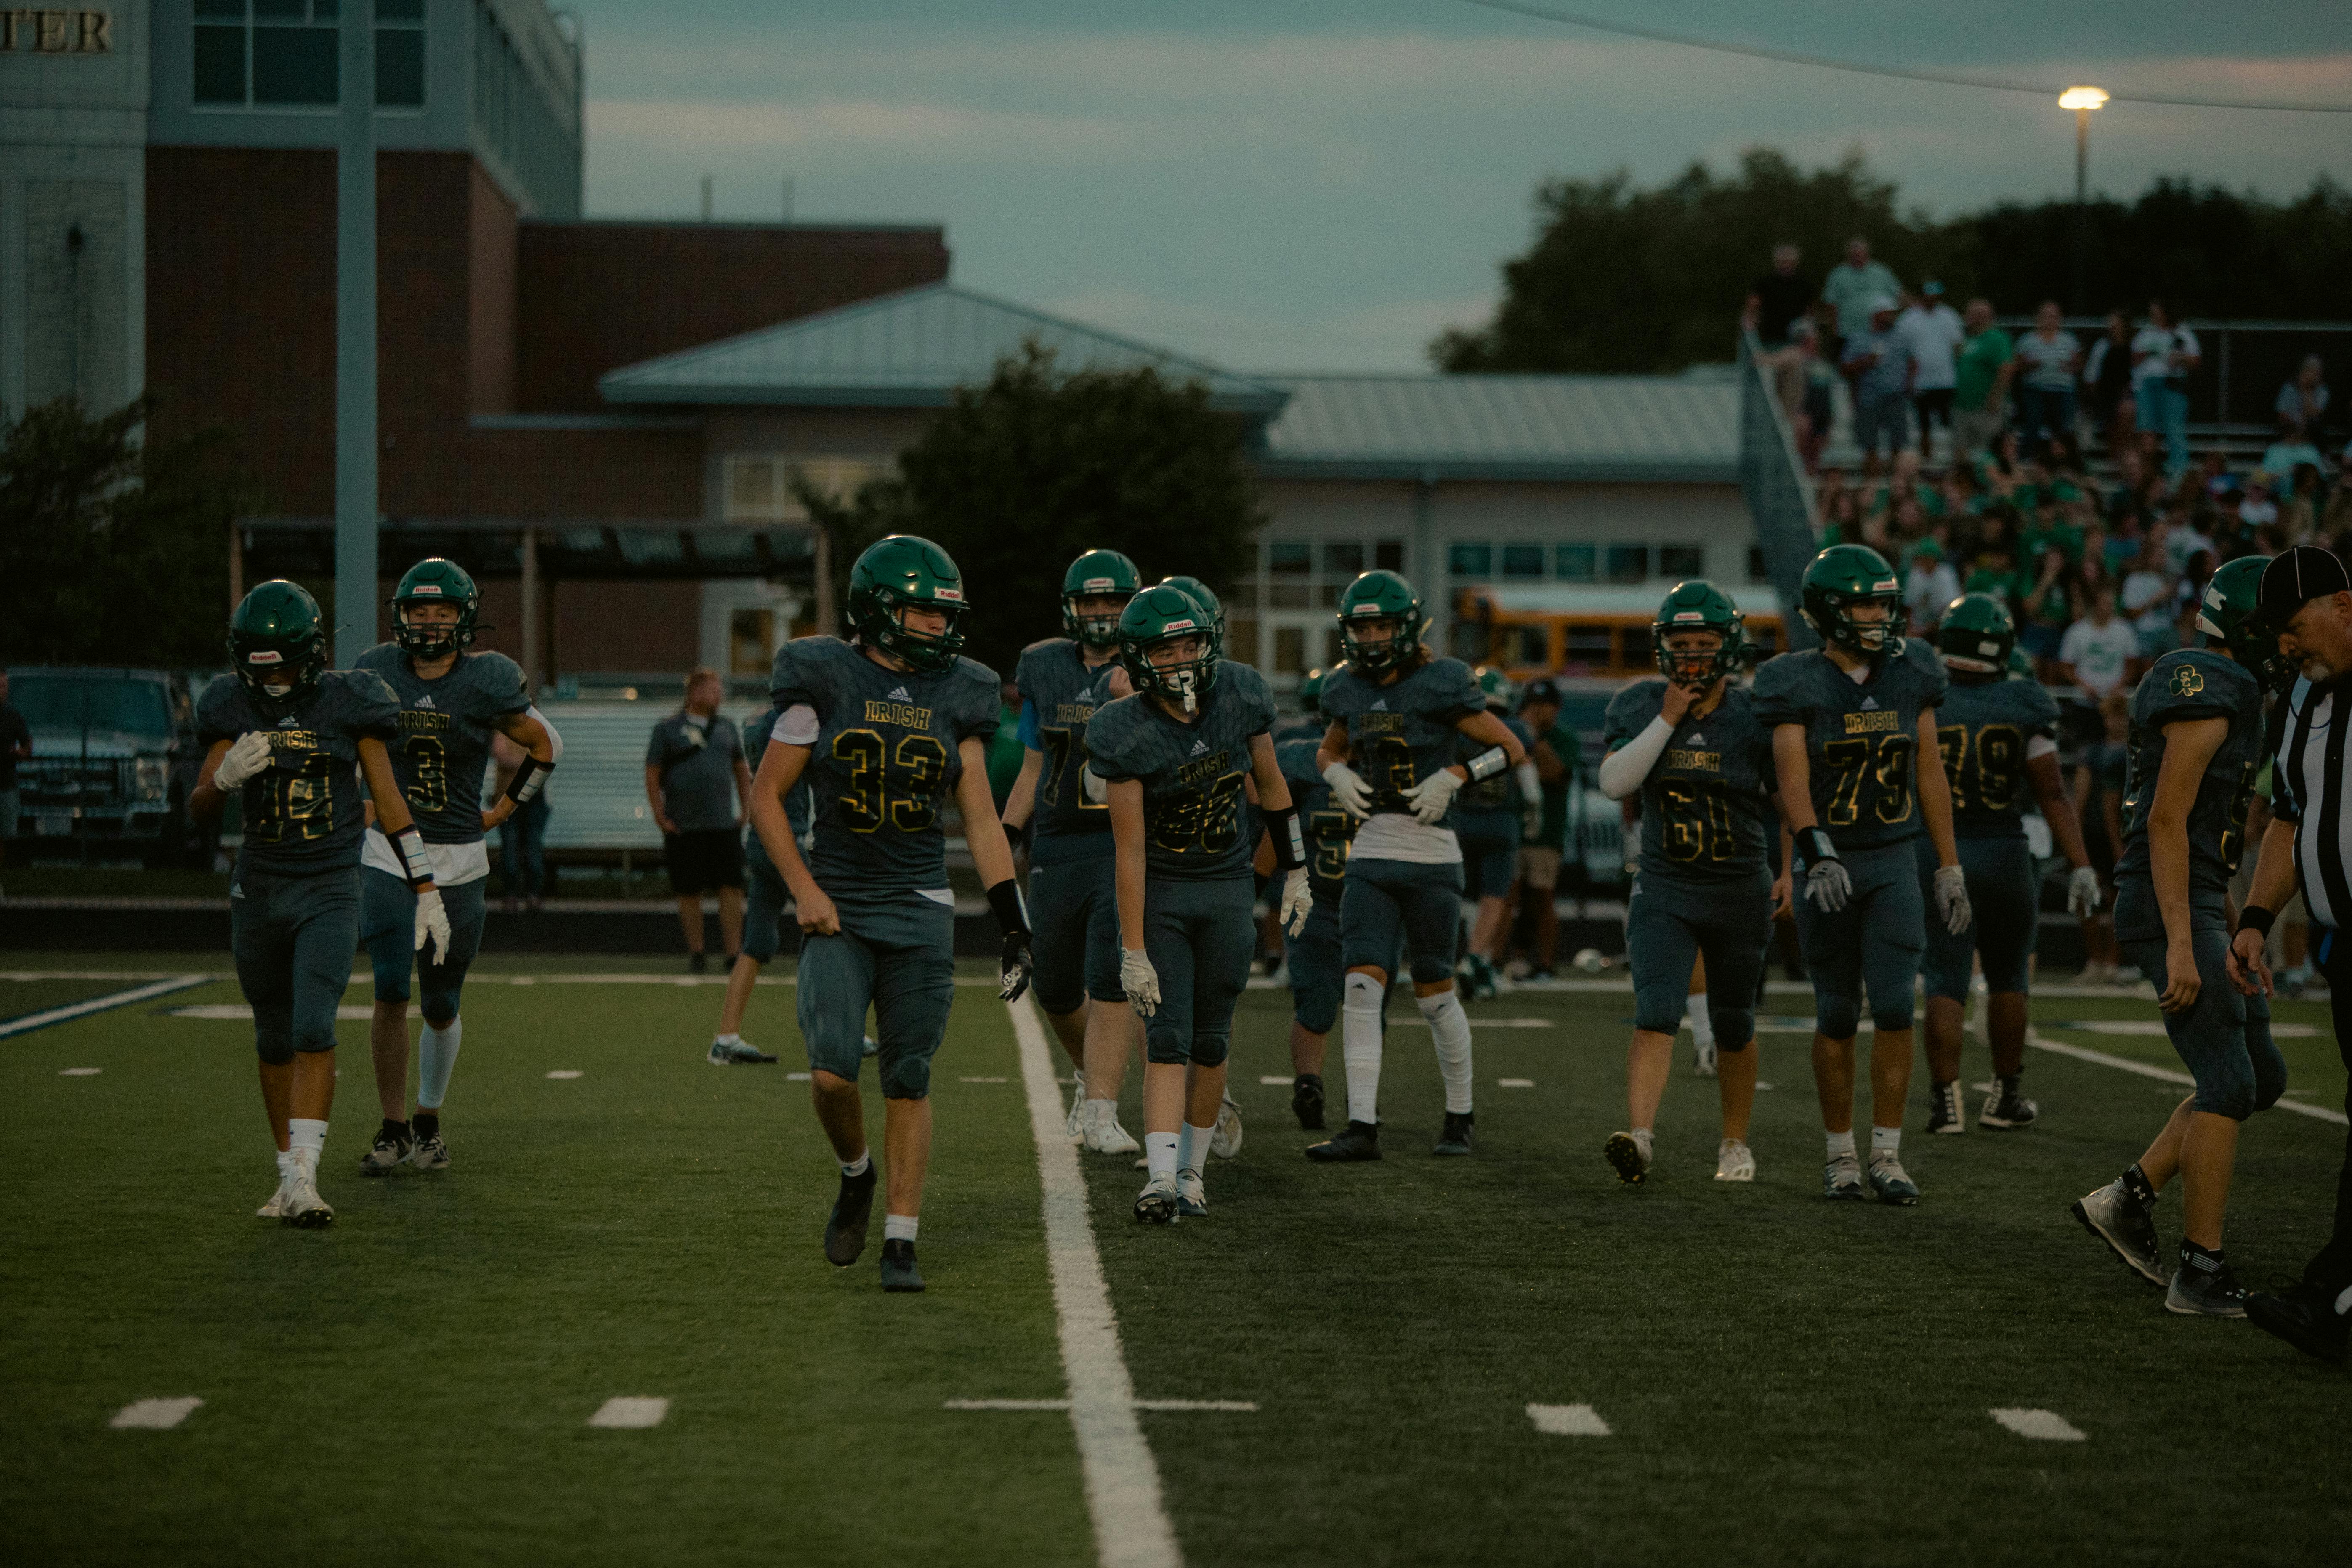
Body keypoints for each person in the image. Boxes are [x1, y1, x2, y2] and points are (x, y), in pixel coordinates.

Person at [747, 534, 1034, 1293]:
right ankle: (856, 1172)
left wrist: (1012, 918)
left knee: (908, 1074)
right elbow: (765, 795)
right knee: (831, 1072)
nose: (940, 626)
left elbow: (978, 820)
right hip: (839, 903)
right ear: (878, 609)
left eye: (946, 614)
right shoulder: (822, 675)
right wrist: (803, 888)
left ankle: (901, 1240)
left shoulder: (961, 690)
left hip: (919, 906)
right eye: (923, 611)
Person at [2070, 555, 2288, 1318]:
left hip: (2197, 900)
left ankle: (2128, 1197)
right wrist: (2176, 940)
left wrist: (2234, 929)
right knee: (2226, 1082)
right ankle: (2200, 1270)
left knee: (2261, 1078)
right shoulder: (2205, 683)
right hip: (2165, 901)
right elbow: (2165, 820)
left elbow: (2207, 836)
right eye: (2279, 626)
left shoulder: (2234, 686)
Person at [191, 580, 446, 1228]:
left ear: (311, 653)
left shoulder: (347, 699)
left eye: (281, 665)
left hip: (330, 881)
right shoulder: (228, 702)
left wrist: (425, 885)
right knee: (272, 1034)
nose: (270, 680)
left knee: (313, 1024)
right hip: (261, 883)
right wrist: (221, 782)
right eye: (259, 665)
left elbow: (388, 799)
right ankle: (288, 1177)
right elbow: (197, 806)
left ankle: (305, 1173)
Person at [1751, 545, 1968, 1204]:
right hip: (1830, 863)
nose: (1878, 614)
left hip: (1893, 857)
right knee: (1838, 1010)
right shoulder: (1794, 679)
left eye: (1883, 600)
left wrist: (1950, 865)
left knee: (1898, 1004)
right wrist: (1815, 853)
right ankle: (1839, 1154)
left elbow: (1929, 770)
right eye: (1864, 602)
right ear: (1827, 612)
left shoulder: (1913, 671)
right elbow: (1790, 784)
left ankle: (1887, 1155)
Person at [1086, 586, 1307, 1222]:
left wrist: (1295, 870)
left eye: (1191, 643)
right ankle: (1158, 1180)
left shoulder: (1239, 695)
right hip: (1167, 893)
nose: (1182, 658)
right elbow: (1128, 850)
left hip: (1229, 887)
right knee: (1167, 1034)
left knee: (1211, 1039)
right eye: (1166, 647)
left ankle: (1191, 1172)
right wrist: (1132, 949)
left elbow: (1272, 787)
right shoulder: (1122, 728)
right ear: (1139, 656)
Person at [1307, 569, 1529, 1161]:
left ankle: (1460, 1115)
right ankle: (1361, 1125)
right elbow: (1329, 745)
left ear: (1407, 627)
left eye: (1383, 624)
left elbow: (1511, 748)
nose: (1373, 636)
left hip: (1432, 854)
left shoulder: (1442, 682)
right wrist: (1334, 770)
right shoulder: (1346, 688)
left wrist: (1456, 774)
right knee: (1359, 984)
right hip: (1373, 849)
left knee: (1434, 993)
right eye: (1364, 626)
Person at [354, 559, 558, 1175]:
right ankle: (392, 1126)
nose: (430, 622)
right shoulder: (374, 669)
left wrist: (500, 811)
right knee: (390, 987)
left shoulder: (488, 679)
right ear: (401, 615)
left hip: (460, 857)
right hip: (388, 852)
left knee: (441, 1002)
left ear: (464, 618)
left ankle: (428, 1119)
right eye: (420, 611)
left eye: (443, 612)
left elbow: (546, 745)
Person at [1596, 582, 1781, 1185]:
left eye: (1705, 643)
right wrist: (1669, 717)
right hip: (1666, 883)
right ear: (1662, 647)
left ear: (1728, 647)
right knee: (1655, 1010)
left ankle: (1734, 1143)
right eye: (1682, 644)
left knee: (1734, 1021)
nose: (1694, 655)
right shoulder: (1640, 703)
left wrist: (1791, 868)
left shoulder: (1756, 714)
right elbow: (1615, 782)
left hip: (1737, 885)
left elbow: (1790, 797)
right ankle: (1641, 1136)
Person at [1916, 594, 2102, 1135]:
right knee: (2008, 977)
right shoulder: (2023, 699)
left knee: (1945, 979)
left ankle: (1946, 1104)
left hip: (1941, 852)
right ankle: (2004, 1097)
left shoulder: (1926, 697)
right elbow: (2052, 793)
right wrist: (2082, 864)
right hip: (2004, 851)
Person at [2237, 547, 2352, 1361]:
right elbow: (2287, 818)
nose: (2284, 647)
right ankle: (2331, 1297)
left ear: (2339, 604)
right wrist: (2253, 916)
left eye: (2290, 627)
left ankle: (2330, 1298)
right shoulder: (2303, 699)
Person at [1000, 548, 1145, 1156]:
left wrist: (1131, 695)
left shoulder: (1150, 662)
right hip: (1057, 841)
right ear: (1072, 606)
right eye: (1093, 601)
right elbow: (1034, 761)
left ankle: (1103, 1106)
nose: (1103, 612)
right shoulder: (1043, 665)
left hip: (1123, 841)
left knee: (1110, 974)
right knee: (1054, 984)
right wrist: (1008, 831)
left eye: (1114, 602)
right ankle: (1090, 1078)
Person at [707, 700, 814, 1066]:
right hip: (786, 837)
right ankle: (838, 1027)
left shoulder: (756, 719)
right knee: (833, 928)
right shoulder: (792, 720)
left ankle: (726, 1036)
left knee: (758, 942)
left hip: (760, 839)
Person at [645, 669, 750, 973]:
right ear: (693, 692)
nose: (717, 695)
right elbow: (652, 774)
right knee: (688, 890)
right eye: (711, 689)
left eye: (719, 690)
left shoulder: (728, 728)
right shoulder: (667, 730)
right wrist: (660, 816)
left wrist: (746, 810)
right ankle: (697, 952)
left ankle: (733, 954)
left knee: (731, 887)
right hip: (684, 826)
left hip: (722, 825)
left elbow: (741, 770)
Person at [1454, 667, 1541, 999]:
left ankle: (1478, 963)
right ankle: (1476, 959)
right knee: (1494, 896)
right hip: (1500, 822)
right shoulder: (1516, 728)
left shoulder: (1461, 727)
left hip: (1462, 820)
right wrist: (1533, 815)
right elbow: (1529, 781)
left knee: (1469, 896)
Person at [1513, 677, 1575, 982]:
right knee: (1505, 897)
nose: (1539, 711)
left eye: (1545, 705)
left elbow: (1555, 774)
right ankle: (1501, 960)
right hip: (1514, 829)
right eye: (1534, 705)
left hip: (1546, 831)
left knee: (1542, 898)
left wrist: (1533, 740)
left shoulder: (1563, 739)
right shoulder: (1511, 736)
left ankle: (1546, 963)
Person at [1841, 298, 1913, 476]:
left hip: (1895, 398)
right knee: (1869, 445)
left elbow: (1913, 362)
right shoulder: (1859, 338)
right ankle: (1871, 486)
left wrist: (1908, 385)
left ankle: (1897, 484)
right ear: (1876, 315)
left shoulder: (1900, 337)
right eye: (1887, 313)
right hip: (1868, 398)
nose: (1891, 317)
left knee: (1898, 444)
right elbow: (1846, 367)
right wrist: (1865, 362)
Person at [1743, 241, 1814, 416]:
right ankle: (1783, 415)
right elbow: (1752, 307)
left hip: (1793, 343)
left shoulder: (1804, 285)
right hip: (1770, 340)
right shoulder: (1765, 283)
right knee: (1775, 385)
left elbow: (1809, 314)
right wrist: (1749, 325)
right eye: (1783, 261)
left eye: (1789, 261)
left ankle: (1789, 415)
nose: (1786, 265)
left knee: (1792, 378)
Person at [2132, 300, 2201, 478]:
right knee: (2146, 430)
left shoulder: (2182, 333)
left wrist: (2179, 359)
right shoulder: (2146, 333)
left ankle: (2179, 473)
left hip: (2171, 384)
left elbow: (2195, 360)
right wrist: (2149, 354)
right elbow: (2134, 357)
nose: (2153, 315)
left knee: (2174, 429)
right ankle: (2146, 473)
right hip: (2147, 385)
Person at [1898, 282, 1963, 459]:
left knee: (1950, 425)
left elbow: (1958, 346)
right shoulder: (1908, 318)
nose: (1932, 299)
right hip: (1921, 381)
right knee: (1924, 426)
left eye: (1935, 296)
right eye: (1928, 295)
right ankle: (1927, 462)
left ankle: (1953, 462)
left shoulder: (1950, 315)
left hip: (1946, 380)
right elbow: (1902, 350)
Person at [2010, 301, 2082, 461]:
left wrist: (2071, 366)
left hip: (2063, 391)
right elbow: (2018, 366)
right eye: (2046, 316)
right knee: (2032, 425)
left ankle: (2063, 462)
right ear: (2039, 318)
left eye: (2054, 316)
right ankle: (2027, 460)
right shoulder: (2027, 340)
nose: (2050, 320)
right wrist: (2030, 366)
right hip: (2035, 390)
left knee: (2062, 430)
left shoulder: (2069, 340)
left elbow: (2079, 365)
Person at [490, 728, 551, 912]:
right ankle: (526, 895)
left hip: (516, 796)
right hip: (522, 796)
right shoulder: (535, 730)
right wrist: (531, 763)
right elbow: (504, 757)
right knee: (522, 844)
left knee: (516, 844)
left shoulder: (504, 729)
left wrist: (524, 763)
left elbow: (505, 757)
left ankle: (517, 896)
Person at [1951, 299, 2014, 460]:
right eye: (1969, 313)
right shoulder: (1968, 339)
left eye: (1974, 314)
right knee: (1961, 452)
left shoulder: (1996, 339)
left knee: (1987, 452)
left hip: (1985, 407)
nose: (1969, 317)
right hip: (1963, 405)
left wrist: (1996, 397)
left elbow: (2006, 370)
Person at [1820, 236, 1902, 361]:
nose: (1858, 258)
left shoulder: (1881, 272)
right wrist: (1834, 331)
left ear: (1867, 254)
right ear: (1849, 255)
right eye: (1854, 255)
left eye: (1861, 254)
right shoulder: (1838, 274)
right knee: (1847, 366)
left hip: (1875, 334)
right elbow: (1831, 305)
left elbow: (1899, 294)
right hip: (1846, 333)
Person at [2081, 310, 2139, 461]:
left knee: (2127, 411)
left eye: (2117, 322)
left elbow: (2138, 372)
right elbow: (2091, 376)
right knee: (2114, 421)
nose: (2113, 326)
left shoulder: (2135, 345)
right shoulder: (2103, 345)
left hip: (2129, 393)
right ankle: (2116, 460)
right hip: (2107, 394)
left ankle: (2126, 458)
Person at [0, 669, 29, 851]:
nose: (3, 690)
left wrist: (21, 752)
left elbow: (27, 743)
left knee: (5, 836)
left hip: (6, 784)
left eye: (4, 686)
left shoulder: (13, 717)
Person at [2276, 355, 2330, 445]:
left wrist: (2307, 392)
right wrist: (2296, 425)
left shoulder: (2323, 391)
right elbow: (2281, 413)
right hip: (2291, 425)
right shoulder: (2289, 388)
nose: (2313, 376)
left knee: (2315, 424)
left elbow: (2314, 414)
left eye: (2316, 374)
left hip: (2311, 428)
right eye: (2310, 372)